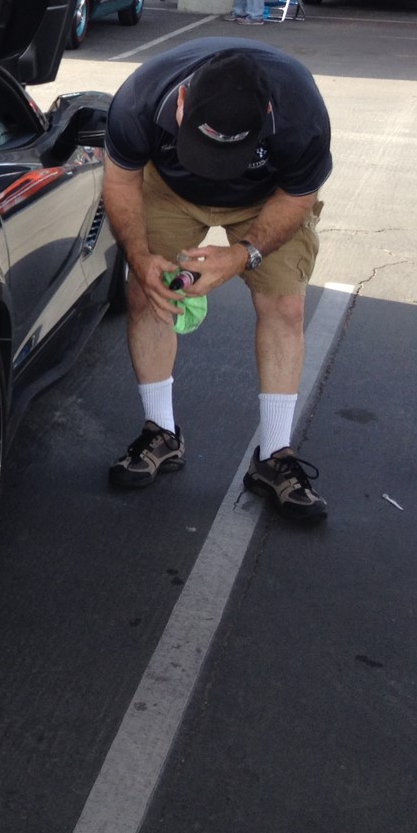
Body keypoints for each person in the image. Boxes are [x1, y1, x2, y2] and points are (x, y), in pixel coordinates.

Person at [102, 38, 331, 521]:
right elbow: (121, 181)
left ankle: (274, 456)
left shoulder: (301, 112)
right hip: (168, 189)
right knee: (149, 293)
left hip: (265, 198)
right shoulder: (141, 98)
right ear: (182, 102)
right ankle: (160, 430)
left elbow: (298, 194)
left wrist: (243, 254)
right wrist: (140, 256)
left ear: (266, 113)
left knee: (284, 306)